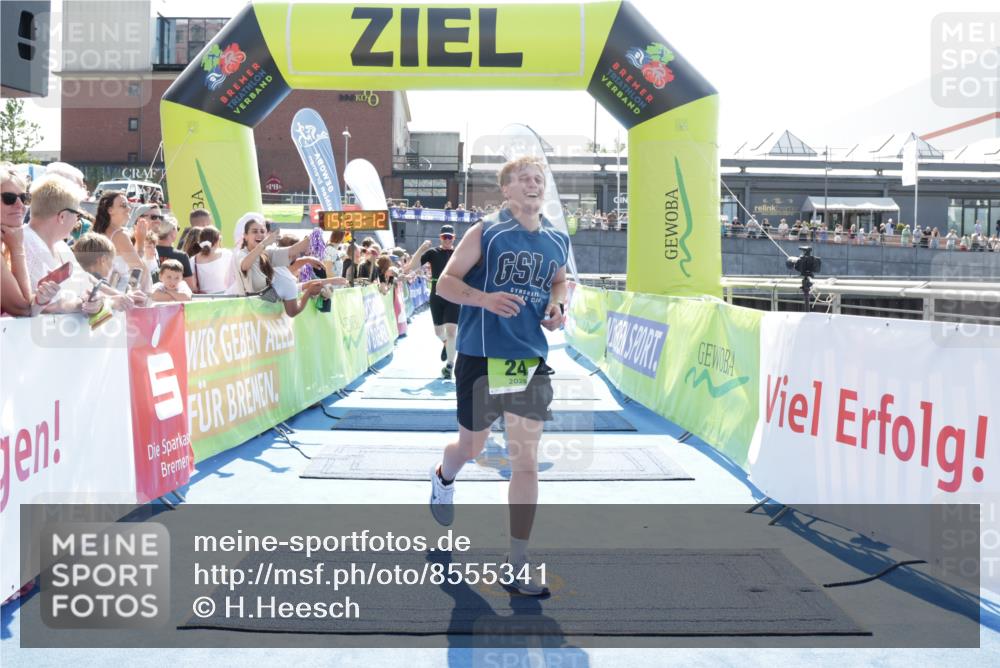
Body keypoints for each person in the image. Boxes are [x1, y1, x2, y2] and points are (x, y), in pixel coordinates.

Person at [428, 156, 569, 596]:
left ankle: (517, 562)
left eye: (538, 179)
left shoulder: (557, 238)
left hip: (527, 359)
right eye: (523, 179)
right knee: (471, 446)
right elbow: (445, 284)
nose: (532, 184)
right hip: (481, 357)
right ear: (506, 190)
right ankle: (444, 476)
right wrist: (485, 299)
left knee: (525, 462)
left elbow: (560, 281)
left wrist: (557, 306)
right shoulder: (486, 231)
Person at [405, 224, 460, 378]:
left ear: (454, 238)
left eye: (450, 237)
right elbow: (412, 267)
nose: (447, 240)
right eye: (445, 237)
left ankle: (450, 365)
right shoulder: (432, 252)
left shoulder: (458, 253)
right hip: (436, 294)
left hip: (453, 294)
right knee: (438, 332)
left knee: (451, 331)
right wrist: (421, 249)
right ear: (440, 238)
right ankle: (446, 344)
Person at [93, 191, 153, 292]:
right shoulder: (119, 235)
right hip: (119, 296)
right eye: (123, 205)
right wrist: (140, 241)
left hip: (105, 293)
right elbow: (138, 270)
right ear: (110, 210)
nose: (129, 208)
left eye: (128, 205)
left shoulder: (99, 233)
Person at [153, 215, 197, 292]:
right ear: (172, 231)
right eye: (178, 228)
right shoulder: (181, 256)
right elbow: (190, 287)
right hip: (175, 299)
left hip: (152, 296)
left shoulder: (148, 251)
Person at [191, 226, 234, 294]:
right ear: (218, 240)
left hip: (204, 300)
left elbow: (193, 287)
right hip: (226, 297)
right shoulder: (227, 254)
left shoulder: (193, 260)